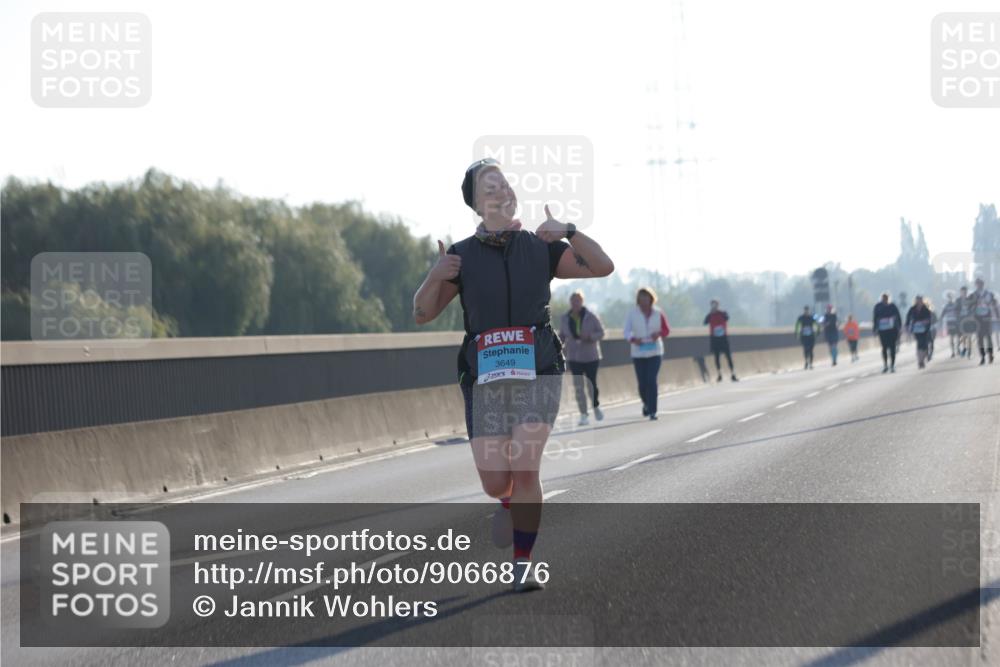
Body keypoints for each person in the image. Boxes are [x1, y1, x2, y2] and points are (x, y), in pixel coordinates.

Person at [412, 157, 613, 592]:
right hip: (484, 378)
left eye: (504, 183)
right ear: (477, 205)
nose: (501, 191)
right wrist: (434, 276)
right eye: (490, 188)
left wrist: (569, 231)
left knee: (525, 467)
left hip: (540, 368)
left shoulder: (540, 247)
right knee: (495, 482)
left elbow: (603, 266)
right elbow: (422, 313)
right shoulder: (461, 256)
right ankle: (506, 502)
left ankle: (523, 563)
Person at [558, 291, 606, 426]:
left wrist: (590, 337)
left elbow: (601, 332)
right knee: (578, 387)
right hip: (574, 356)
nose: (575, 303)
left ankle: (595, 405)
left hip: (591, 356)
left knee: (591, 385)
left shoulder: (591, 316)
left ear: (582, 302)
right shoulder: (565, 318)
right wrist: (557, 345)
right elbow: (562, 335)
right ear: (570, 302)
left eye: (578, 301)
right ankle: (583, 414)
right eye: (573, 301)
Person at [625, 287, 670, 420]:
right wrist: (633, 339)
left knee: (651, 380)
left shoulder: (658, 313)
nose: (644, 301)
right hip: (638, 352)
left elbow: (666, 330)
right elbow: (626, 331)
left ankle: (653, 411)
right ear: (638, 300)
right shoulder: (632, 314)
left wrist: (659, 334)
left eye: (646, 298)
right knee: (642, 383)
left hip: (655, 351)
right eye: (641, 298)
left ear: (651, 299)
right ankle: (646, 403)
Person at [703, 299, 738, 382]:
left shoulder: (723, 313)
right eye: (712, 305)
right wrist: (710, 313)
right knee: (717, 357)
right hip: (714, 338)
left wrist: (719, 312)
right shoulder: (710, 315)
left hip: (723, 338)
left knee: (728, 356)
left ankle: (733, 374)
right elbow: (705, 322)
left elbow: (727, 318)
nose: (714, 306)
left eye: (715, 305)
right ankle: (719, 375)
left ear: (718, 305)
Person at [970, 276, 999, 365]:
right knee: (980, 339)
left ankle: (990, 354)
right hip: (978, 319)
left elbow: (995, 305)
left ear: (983, 284)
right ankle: (982, 356)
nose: (979, 285)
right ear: (976, 285)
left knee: (988, 337)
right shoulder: (973, 295)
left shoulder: (989, 294)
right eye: (978, 283)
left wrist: (998, 316)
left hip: (987, 317)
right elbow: (969, 307)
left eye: (981, 283)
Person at [873, 292, 902, 373]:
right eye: (883, 298)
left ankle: (892, 365)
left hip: (892, 330)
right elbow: (875, 318)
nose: (885, 300)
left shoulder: (892, 306)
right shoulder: (878, 307)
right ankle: (885, 365)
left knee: (892, 348)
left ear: (889, 298)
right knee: (884, 348)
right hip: (882, 331)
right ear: (881, 298)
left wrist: (899, 327)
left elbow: (898, 317)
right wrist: (875, 329)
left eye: (886, 298)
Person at [905, 295, 934, 369]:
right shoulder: (912, 309)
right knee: (919, 344)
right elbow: (908, 318)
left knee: (924, 346)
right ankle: (920, 361)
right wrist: (907, 326)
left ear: (922, 301)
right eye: (918, 300)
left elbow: (929, 319)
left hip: (925, 330)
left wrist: (926, 322)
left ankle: (922, 360)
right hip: (916, 330)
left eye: (920, 300)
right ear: (916, 301)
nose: (919, 301)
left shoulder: (926, 309)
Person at [956, 286, 974, 359]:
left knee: (969, 336)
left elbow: (973, 308)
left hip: (968, 320)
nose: (964, 293)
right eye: (963, 292)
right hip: (961, 320)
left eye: (965, 292)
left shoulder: (969, 299)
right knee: (963, 336)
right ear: (960, 292)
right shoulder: (958, 300)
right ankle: (964, 348)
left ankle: (969, 352)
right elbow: (955, 310)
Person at [941, 294, 959, 358]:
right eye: (948, 298)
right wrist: (940, 321)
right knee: (951, 337)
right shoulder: (946, 306)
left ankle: (958, 349)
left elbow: (958, 312)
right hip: (949, 322)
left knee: (958, 337)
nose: (949, 299)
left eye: (950, 298)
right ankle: (953, 352)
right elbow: (942, 314)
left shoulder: (955, 305)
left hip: (956, 322)